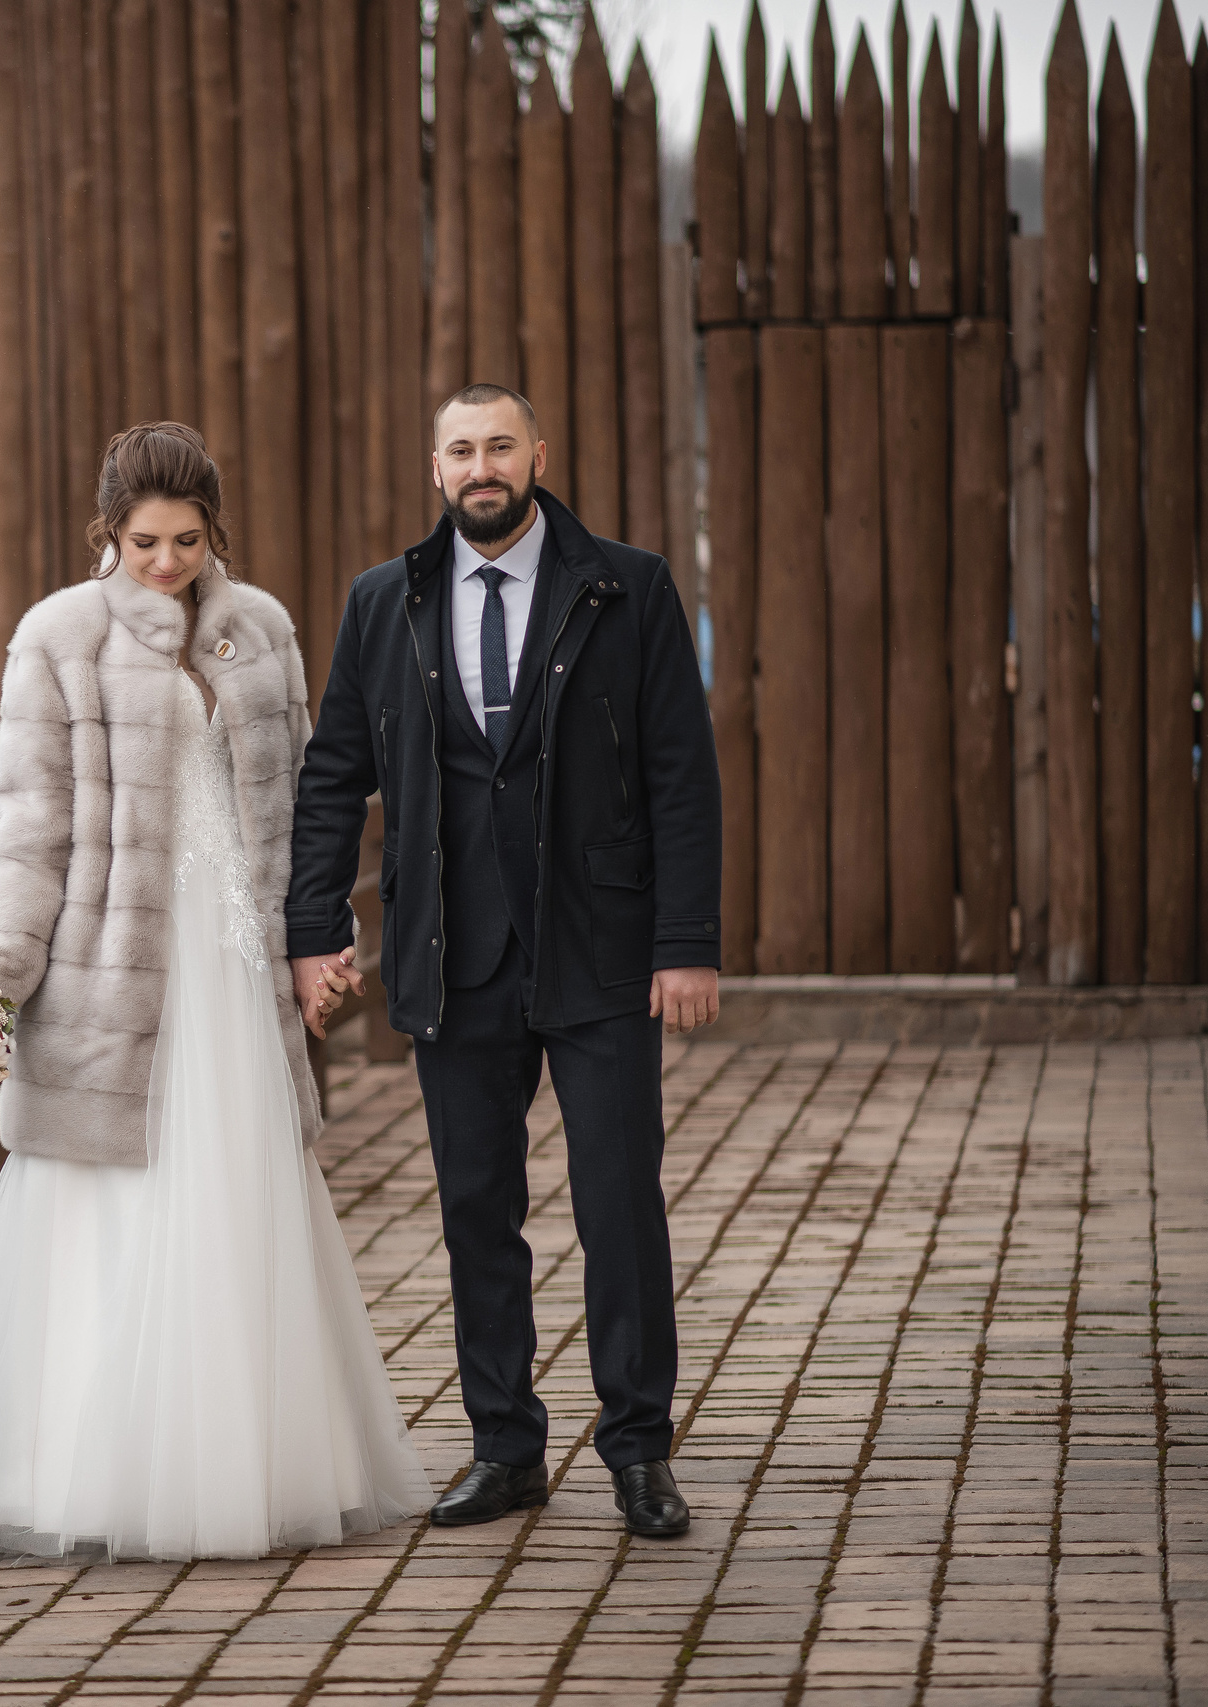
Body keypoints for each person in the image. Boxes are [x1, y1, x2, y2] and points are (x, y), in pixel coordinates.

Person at [0, 422, 432, 1562]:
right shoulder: (60, 637)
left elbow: (307, 808)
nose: (165, 562)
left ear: (213, 530)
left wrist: (318, 940)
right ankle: (82, 1472)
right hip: (108, 966)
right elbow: (28, 829)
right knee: (111, 1205)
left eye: (187, 540)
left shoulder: (264, 630)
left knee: (241, 1188)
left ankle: (251, 1464)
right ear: (108, 530)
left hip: (234, 962)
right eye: (144, 541)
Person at [285, 384, 721, 1540]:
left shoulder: (626, 586)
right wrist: (313, 930)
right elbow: (332, 778)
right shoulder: (383, 601)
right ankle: (504, 1449)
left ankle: (638, 1451)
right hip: (451, 950)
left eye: (499, 446)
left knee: (618, 1203)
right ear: (434, 468)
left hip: (600, 948)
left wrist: (684, 944)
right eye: (460, 449)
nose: (481, 466)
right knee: (477, 1210)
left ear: (538, 454)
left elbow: (681, 774)